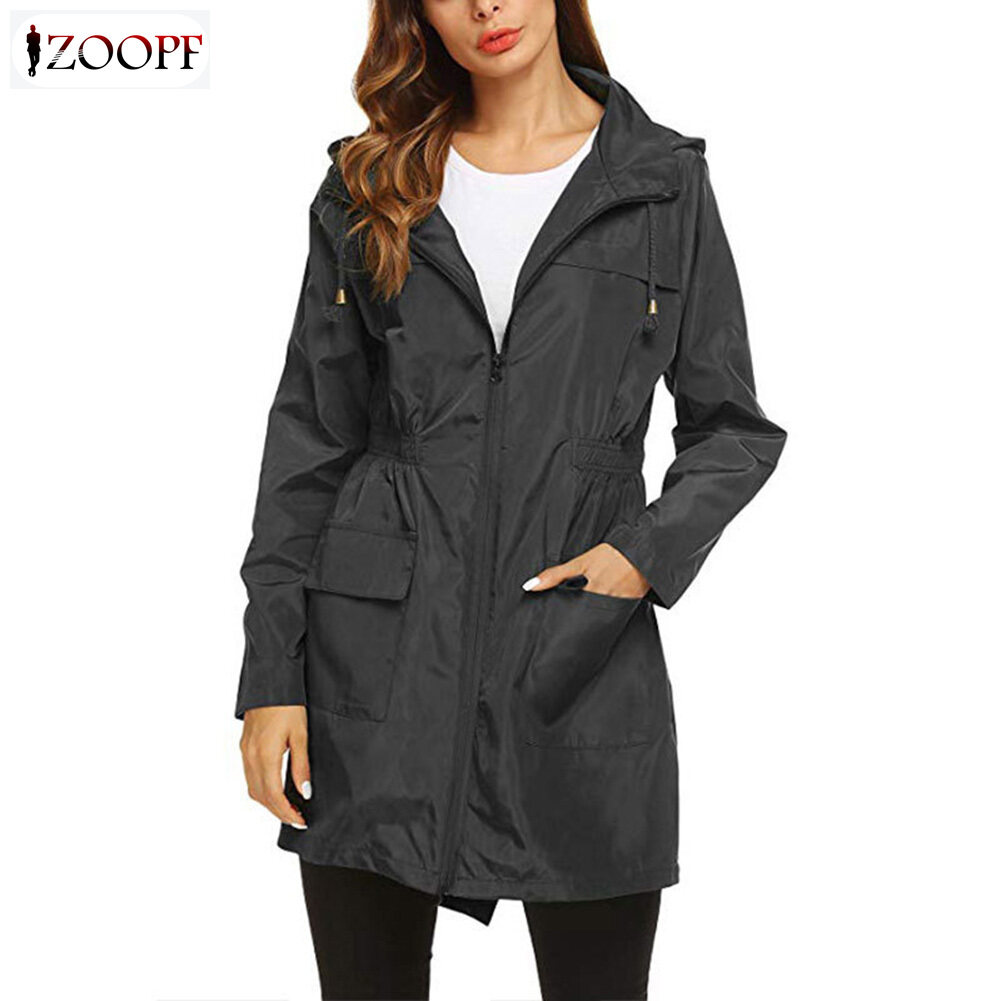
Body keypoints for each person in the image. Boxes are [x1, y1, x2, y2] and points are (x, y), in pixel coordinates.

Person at [236, 1, 787, 998]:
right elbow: (309, 443)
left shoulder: (659, 181)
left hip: (575, 657)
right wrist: (271, 672)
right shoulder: (369, 181)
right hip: (374, 671)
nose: (485, 5)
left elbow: (731, 429)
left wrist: (639, 557)